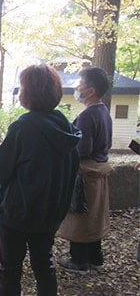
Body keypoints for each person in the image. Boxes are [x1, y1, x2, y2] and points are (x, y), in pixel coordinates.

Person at [0, 64, 81, 296]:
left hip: (17, 214)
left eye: (22, 87)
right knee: (44, 265)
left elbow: (0, 171)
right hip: (50, 214)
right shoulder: (67, 129)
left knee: (9, 269)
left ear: (29, 93)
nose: (20, 92)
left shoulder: (23, 127)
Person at [57, 66, 114, 274]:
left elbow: (83, 149)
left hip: (86, 173)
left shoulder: (88, 115)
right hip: (99, 171)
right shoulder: (103, 111)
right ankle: (96, 258)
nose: (76, 88)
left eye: (80, 84)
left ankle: (79, 261)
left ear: (91, 91)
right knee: (94, 217)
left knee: (79, 218)